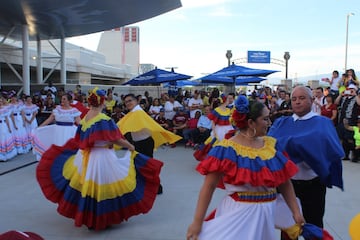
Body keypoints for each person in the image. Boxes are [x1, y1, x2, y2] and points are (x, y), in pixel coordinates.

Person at [36, 87, 164, 231]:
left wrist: (102, 142)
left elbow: (83, 138)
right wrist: (130, 146)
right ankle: (102, 218)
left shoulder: (86, 118)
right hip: (102, 157)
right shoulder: (103, 119)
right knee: (104, 186)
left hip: (88, 156)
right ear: (103, 102)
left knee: (89, 187)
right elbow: (116, 139)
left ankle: (90, 218)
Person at [187, 95, 304, 240]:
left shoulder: (271, 146)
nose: (269, 122)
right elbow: (208, 187)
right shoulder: (226, 149)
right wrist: (197, 222)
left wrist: (295, 211)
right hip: (238, 215)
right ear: (250, 123)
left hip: (267, 214)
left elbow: (285, 183)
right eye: (265, 119)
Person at [268, 86, 344, 230]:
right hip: (287, 186)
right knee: (288, 229)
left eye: (302, 98)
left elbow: (332, 152)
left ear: (312, 100)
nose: (297, 102)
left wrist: (298, 147)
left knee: (314, 226)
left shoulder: (323, 123)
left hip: (313, 186)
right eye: (294, 99)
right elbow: (269, 147)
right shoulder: (281, 123)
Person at [118, 93, 182, 194]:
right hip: (139, 143)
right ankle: (146, 187)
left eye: (130, 100)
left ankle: (156, 187)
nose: (128, 103)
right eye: (126, 102)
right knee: (140, 166)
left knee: (147, 166)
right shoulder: (133, 113)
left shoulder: (138, 112)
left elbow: (124, 126)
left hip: (144, 143)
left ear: (136, 101)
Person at [32, 93, 81, 160]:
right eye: (62, 99)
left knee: (68, 147)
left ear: (69, 101)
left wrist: (85, 129)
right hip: (58, 131)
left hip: (69, 132)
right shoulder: (57, 109)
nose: (62, 100)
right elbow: (49, 119)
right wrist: (39, 127)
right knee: (58, 146)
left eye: (64, 99)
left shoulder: (74, 111)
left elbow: (79, 123)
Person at [0, 96, 17, 161]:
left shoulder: (5, 110)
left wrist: (9, 128)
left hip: (3, 125)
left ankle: (5, 154)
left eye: (1, 101)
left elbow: (7, 119)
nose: (0, 102)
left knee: (3, 138)